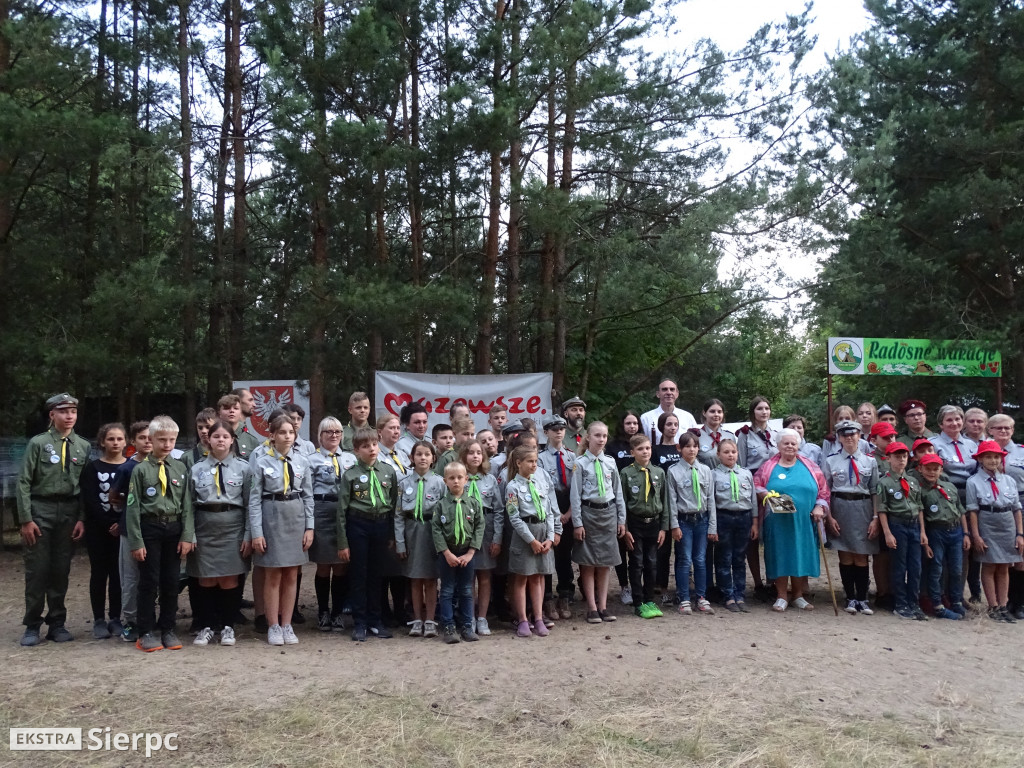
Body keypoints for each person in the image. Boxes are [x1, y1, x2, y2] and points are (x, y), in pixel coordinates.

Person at [16, 393, 90, 646]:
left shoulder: (83, 445)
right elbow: (24, 482)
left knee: (61, 571)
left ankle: (57, 623)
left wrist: (81, 518)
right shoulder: (38, 444)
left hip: (69, 512)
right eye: (63, 412)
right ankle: (32, 625)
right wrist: (26, 519)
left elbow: (85, 485)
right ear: (52, 415)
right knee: (37, 571)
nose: (69, 416)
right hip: (41, 510)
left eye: (73, 412)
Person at [126, 415, 195, 651]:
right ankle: (146, 631)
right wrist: (136, 541)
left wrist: (187, 536)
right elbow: (132, 507)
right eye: (161, 439)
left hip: (174, 529)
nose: (167, 445)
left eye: (171, 440)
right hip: (150, 529)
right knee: (149, 581)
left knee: (171, 580)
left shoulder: (180, 467)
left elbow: (187, 504)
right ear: (151, 440)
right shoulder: (140, 470)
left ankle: (168, 628)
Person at [248, 414, 314, 645]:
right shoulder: (261, 460)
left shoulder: (302, 461)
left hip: (295, 516)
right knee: (273, 573)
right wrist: (256, 532)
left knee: (291, 574)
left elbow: (308, 496)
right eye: (282, 432)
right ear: (272, 435)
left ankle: (287, 624)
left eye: (291, 432)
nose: (287, 436)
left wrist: (310, 527)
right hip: (272, 515)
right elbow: (254, 499)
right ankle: (273, 625)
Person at [189, 420, 252, 646]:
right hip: (204, 527)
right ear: (209, 440)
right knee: (205, 578)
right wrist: (190, 535)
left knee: (229, 578)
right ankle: (206, 626)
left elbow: (249, 505)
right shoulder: (196, 469)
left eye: (225, 436)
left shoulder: (244, 469)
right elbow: (189, 506)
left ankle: (227, 627)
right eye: (216, 437)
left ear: (232, 440)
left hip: (233, 527)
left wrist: (247, 535)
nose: (221, 440)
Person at [752, 429, 829, 613]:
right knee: (780, 554)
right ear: (778, 446)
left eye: (793, 443)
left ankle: (798, 595)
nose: (789, 446)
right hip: (778, 522)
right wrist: (764, 493)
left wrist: (820, 506)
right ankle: (781, 596)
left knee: (800, 554)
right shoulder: (768, 466)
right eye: (785, 443)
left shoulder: (810, 466)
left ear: (799, 445)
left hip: (803, 521)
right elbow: (755, 484)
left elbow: (824, 490)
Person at [336, 426, 400, 642]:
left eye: (373, 444)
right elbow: (342, 511)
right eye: (365, 446)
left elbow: (393, 506)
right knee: (359, 575)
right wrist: (343, 542)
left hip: (380, 525)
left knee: (377, 575)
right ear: (356, 451)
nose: (371, 449)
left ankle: (375, 621)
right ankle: (360, 622)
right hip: (358, 525)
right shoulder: (351, 475)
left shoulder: (388, 471)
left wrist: (391, 534)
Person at [571, 421, 627, 624]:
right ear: (588, 437)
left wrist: (621, 519)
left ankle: (603, 606)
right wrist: (577, 523)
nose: (601, 439)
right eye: (597, 435)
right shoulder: (580, 463)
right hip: (589, 514)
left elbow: (618, 492)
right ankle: (592, 607)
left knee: (605, 562)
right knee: (588, 562)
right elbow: (575, 496)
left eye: (604, 436)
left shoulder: (610, 462)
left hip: (608, 514)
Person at [823, 419, 880, 615]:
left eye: (853, 434)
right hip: (840, 508)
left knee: (861, 555)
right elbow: (826, 491)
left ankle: (863, 598)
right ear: (839, 438)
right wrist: (829, 517)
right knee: (845, 553)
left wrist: (875, 518)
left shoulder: (870, 461)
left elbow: (874, 491)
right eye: (845, 435)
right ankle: (850, 597)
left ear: (859, 436)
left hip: (862, 508)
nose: (849, 438)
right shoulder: (830, 461)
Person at [967, 440, 1024, 622]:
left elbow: (1016, 508)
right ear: (980, 459)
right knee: (990, 564)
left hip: (1007, 523)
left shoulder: (1008, 480)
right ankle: (992, 605)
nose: (993, 460)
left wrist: (1020, 534)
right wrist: (976, 535)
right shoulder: (973, 481)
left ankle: (1003, 605)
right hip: (987, 522)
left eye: (996, 457)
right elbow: (973, 511)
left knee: (1005, 565)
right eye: (988, 457)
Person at [80, 423, 127, 639]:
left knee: (118, 575)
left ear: (126, 442)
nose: (115, 443)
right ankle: (99, 619)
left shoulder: (130, 467)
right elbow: (90, 499)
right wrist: (108, 523)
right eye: (111, 439)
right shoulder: (92, 468)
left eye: (119, 439)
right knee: (99, 573)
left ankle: (116, 618)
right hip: (98, 530)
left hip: (122, 529)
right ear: (101, 442)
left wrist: (121, 523)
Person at [309, 417, 356, 632]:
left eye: (337, 431)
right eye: (328, 432)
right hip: (322, 511)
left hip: (344, 512)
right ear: (320, 435)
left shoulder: (350, 459)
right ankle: (322, 611)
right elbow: (307, 491)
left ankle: (337, 612)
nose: (334, 435)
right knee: (323, 564)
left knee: (341, 563)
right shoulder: (312, 460)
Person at [395, 441, 445, 638]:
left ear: (433, 458)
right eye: (419, 454)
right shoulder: (404, 483)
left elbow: (445, 512)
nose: (423, 458)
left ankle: (431, 620)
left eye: (427, 454)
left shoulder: (440, 483)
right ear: (411, 458)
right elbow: (398, 515)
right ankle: (417, 619)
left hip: (432, 532)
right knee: (415, 579)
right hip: (412, 531)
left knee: (431, 579)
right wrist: (400, 542)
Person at [506, 446, 557, 637]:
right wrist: (531, 540)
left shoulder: (540, 483)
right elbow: (515, 517)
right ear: (519, 463)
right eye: (530, 461)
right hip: (524, 536)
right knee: (521, 578)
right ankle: (522, 620)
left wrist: (550, 538)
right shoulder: (513, 487)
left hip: (543, 532)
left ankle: (538, 617)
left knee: (538, 577)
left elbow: (550, 512)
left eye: (535, 461)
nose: (534, 465)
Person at [433, 462, 485, 643]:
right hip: (447, 555)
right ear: (445, 481)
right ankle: (448, 627)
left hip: (466, 554)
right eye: (452, 478)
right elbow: (436, 530)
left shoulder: (473, 504)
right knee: (446, 590)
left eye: (459, 477)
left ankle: (467, 626)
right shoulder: (440, 506)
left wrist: (471, 553)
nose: (456, 481)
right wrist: (446, 553)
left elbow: (479, 526)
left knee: (466, 590)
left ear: (466, 479)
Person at [666, 431, 716, 615]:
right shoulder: (673, 471)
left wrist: (713, 525)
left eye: (695, 446)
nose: (692, 450)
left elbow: (711, 500)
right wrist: (674, 525)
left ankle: (701, 597)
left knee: (701, 560)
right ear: (680, 448)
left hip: (702, 520)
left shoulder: (705, 470)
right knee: (685, 560)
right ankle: (684, 598)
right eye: (687, 446)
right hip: (684, 521)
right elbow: (671, 501)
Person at [876, 441, 926, 620]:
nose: (901, 460)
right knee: (899, 566)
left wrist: (922, 531)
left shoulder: (913, 481)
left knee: (915, 567)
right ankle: (901, 603)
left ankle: (914, 603)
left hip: (914, 525)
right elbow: (882, 509)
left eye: (904, 456)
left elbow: (919, 506)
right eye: (897, 457)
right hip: (897, 525)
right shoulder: (884, 482)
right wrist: (887, 533)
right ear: (888, 459)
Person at [620, 434, 669, 618]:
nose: (645, 452)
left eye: (647, 448)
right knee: (637, 563)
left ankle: (650, 600)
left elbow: (665, 502)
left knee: (652, 563)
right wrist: (625, 528)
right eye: (640, 449)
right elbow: (622, 502)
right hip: (635, 523)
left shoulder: (659, 472)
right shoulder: (626, 473)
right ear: (632, 452)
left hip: (654, 523)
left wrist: (664, 528)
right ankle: (638, 601)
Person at [112, 421, 151, 642]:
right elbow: (114, 497)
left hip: (155, 530)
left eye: (150, 437)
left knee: (151, 577)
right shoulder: (126, 468)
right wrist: (124, 515)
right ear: (133, 442)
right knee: (130, 577)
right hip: (130, 530)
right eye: (142, 438)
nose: (147, 441)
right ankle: (130, 621)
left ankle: (148, 617)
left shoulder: (163, 465)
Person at [917, 453, 968, 620]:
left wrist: (965, 533)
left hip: (955, 531)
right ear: (920, 469)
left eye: (935, 469)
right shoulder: (920, 490)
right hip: (935, 531)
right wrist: (924, 538)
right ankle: (937, 605)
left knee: (955, 569)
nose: (932, 472)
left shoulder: (950, 486)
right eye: (928, 469)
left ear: (941, 470)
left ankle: (956, 601)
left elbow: (960, 511)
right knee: (936, 568)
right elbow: (920, 515)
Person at [460, 439, 503, 635]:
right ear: (463, 456)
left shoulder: (490, 480)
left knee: (485, 576)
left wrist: (497, 538)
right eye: (471, 452)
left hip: (486, 529)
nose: (475, 456)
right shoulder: (459, 478)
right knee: (468, 577)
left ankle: (483, 618)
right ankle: (468, 617)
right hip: (465, 529)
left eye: (479, 453)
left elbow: (499, 511)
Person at [738, 396, 779, 599]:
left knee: (772, 535)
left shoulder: (776, 434)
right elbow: (742, 465)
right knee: (752, 537)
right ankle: (758, 583)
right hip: (753, 488)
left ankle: (774, 581)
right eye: (760, 408)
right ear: (752, 412)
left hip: (774, 488)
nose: (764, 412)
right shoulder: (745, 436)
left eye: (767, 408)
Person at [537, 415, 577, 619]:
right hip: (549, 509)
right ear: (546, 432)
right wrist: (556, 515)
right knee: (548, 553)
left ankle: (565, 594)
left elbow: (575, 489)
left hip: (568, 506)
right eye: (554, 429)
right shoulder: (540, 459)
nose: (559, 432)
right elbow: (543, 489)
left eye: (561, 428)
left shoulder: (571, 457)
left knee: (564, 555)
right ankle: (547, 598)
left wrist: (569, 512)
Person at [712, 438, 757, 612]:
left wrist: (754, 523)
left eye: (733, 452)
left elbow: (752, 500)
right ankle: (728, 595)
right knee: (724, 558)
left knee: (739, 558)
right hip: (724, 517)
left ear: (738, 453)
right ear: (718, 455)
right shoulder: (713, 474)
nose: (730, 455)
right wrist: (713, 525)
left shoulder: (746, 474)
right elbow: (711, 502)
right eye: (726, 452)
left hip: (744, 518)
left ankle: (740, 594)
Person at [989, 414, 1024, 618]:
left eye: (1007, 428)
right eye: (999, 428)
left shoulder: (1021, 452)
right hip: (993, 508)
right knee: (999, 557)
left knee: (1020, 555)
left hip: (1020, 502)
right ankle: (999, 603)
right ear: (990, 430)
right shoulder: (982, 452)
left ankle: (1017, 602)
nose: (1003, 431)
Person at [640, 379, 697, 445]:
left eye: (672, 389)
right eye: (664, 389)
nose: (669, 393)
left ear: (677, 394)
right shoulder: (646, 418)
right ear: (658, 394)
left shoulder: (688, 417)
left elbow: (695, 442)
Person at [695, 399, 735, 469]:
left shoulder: (730, 437)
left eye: (719, 412)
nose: (716, 414)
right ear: (704, 413)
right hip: (706, 478)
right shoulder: (697, 437)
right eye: (712, 411)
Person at [218, 394, 260, 461]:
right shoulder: (212, 439)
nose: (232, 411)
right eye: (227, 408)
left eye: (236, 408)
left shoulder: (252, 441)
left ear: (240, 412)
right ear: (219, 413)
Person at [376, 412, 409, 478]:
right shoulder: (375, 455)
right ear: (380, 432)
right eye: (392, 428)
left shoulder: (402, 454)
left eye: (398, 428)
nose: (396, 432)